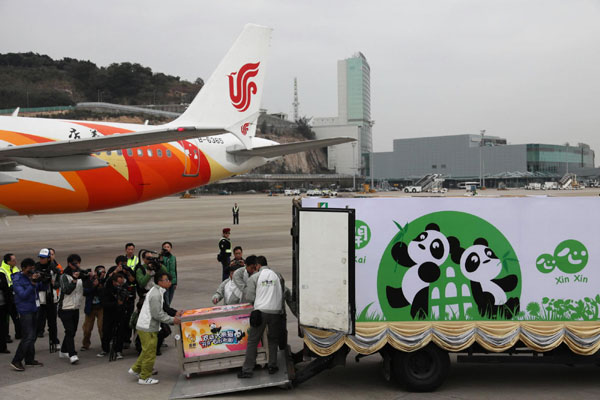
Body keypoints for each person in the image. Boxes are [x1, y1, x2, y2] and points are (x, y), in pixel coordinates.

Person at [128, 271, 181, 385]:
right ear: (159, 282)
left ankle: (136, 369)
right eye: (167, 280)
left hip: (146, 326)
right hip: (148, 327)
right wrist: (172, 320)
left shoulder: (157, 291)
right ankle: (144, 377)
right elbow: (157, 314)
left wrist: (174, 313)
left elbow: (164, 308)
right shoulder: (156, 294)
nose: (169, 282)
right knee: (150, 353)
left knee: (146, 351)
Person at [238, 256, 286, 378]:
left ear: (258, 265)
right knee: (273, 340)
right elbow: (282, 293)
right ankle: (272, 366)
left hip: (260, 312)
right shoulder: (278, 275)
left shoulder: (255, 277)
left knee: (253, 341)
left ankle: (247, 370)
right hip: (275, 312)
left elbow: (249, 297)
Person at [10, 258, 43, 371]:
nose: (32, 271)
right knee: (28, 336)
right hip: (25, 311)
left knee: (33, 336)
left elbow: (39, 288)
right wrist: (32, 282)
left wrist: (43, 280)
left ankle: (29, 359)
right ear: (23, 268)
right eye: (30, 269)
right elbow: (22, 295)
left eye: (33, 268)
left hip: (34, 308)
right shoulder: (17, 279)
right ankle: (16, 360)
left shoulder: (31, 276)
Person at [58, 254, 87, 364]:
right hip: (65, 308)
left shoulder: (80, 275)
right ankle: (72, 354)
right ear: (69, 264)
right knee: (69, 331)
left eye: (78, 263)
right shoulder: (64, 276)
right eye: (75, 263)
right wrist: (74, 279)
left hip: (75, 308)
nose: (77, 265)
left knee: (72, 331)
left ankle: (63, 350)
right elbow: (67, 290)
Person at [110, 255, 137, 350]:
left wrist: (128, 273)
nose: (124, 265)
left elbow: (133, 281)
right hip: (117, 300)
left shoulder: (128, 270)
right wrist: (116, 271)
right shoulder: (113, 270)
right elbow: (108, 280)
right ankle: (114, 339)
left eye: (126, 263)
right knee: (116, 320)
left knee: (128, 320)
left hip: (129, 299)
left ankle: (126, 339)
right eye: (123, 264)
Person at [98, 272, 127, 360]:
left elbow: (125, 302)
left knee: (120, 332)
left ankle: (118, 350)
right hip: (109, 314)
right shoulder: (106, 290)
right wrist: (116, 303)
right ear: (114, 282)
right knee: (106, 331)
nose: (120, 285)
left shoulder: (123, 289)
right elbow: (104, 303)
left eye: (122, 283)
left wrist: (123, 301)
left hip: (120, 314)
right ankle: (105, 349)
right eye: (119, 283)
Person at [35, 248, 60, 347]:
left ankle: (54, 341)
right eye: (40, 257)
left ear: (48, 258)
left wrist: (54, 283)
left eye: (43, 258)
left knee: (52, 323)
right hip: (40, 300)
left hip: (52, 299)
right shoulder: (36, 267)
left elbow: (59, 283)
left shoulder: (54, 268)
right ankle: (31, 343)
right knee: (38, 323)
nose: (41, 259)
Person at [81, 265, 105, 351]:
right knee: (87, 329)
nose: (102, 274)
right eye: (100, 272)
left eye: (103, 272)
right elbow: (85, 292)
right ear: (95, 272)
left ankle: (104, 345)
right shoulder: (89, 281)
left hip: (101, 308)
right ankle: (85, 344)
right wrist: (94, 285)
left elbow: (104, 293)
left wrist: (100, 284)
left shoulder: (104, 282)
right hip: (90, 308)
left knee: (101, 327)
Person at [1, 254, 21, 342]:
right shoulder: (2, 271)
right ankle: (6, 336)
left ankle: (19, 333)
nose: (15, 262)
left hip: (16, 297)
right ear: (8, 262)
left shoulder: (16, 268)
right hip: (7, 298)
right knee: (6, 319)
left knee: (17, 316)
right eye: (13, 260)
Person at [0, 260, 12, 354]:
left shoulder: (1, 275)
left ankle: (3, 347)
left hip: (2, 305)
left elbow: (6, 289)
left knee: (3, 326)